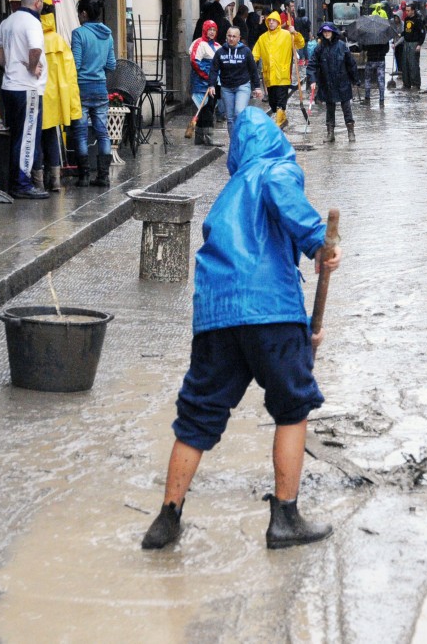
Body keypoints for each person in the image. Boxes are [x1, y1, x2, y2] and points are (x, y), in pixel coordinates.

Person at [141, 105, 342, 551]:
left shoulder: (230, 189)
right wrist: (318, 243)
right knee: (293, 406)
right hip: (268, 308)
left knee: (197, 415)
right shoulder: (276, 169)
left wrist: (306, 330)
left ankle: (167, 518)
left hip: (216, 316)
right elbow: (285, 200)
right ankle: (285, 518)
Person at [0, 0, 50, 200]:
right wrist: (33, 67)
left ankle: (17, 180)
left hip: (10, 87)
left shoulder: (9, 21)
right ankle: (22, 184)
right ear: (38, 2)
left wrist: (7, 65)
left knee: (17, 135)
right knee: (27, 137)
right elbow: (35, 49)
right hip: (27, 89)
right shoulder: (32, 22)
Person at [70, 0, 118, 187]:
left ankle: (83, 177)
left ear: (83, 13)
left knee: (81, 133)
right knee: (103, 133)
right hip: (100, 88)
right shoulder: (108, 35)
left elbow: (76, 63)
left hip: (81, 89)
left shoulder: (79, 34)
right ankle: (103, 176)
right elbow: (112, 64)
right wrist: (98, 73)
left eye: (78, 13)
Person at [39, 5, 81, 191]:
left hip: (37, 94)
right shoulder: (59, 41)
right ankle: (55, 180)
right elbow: (70, 73)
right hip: (56, 97)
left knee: (35, 138)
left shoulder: (33, 38)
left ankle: (37, 181)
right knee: (52, 136)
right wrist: (71, 102)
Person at [308, 22, 360, 143]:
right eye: (324, 31)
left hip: (342, 82)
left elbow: (351, 64)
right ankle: (330, 133)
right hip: (327, 83)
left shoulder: (342, 46)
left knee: (346, 107)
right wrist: (313, 80)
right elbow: (312, 65)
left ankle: (351, 132)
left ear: (333, 32)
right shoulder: (319, 48)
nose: (326, 33)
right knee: (330, 108)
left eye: (328, 31)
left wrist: (355, 79)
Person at [251, 12, 304, 130]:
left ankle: (278, 125)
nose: (271, 23)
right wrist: (248, 64)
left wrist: (294, 32)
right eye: (269, 21)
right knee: (273, 105)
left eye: (273, 21)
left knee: (281, 102)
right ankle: (283, 120)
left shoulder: (287, 35)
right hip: (269, 77)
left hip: (283, 75)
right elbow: (254, 54)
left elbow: (300, 44)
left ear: (278, 22)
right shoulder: (263, 38)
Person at [208, 25, 262, 138]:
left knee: (239, 112)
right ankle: (234, 143)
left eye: (234, 36)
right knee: (230, 118)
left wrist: (257, 87)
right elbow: (213, 69)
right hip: (226, 88)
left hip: (242, 86)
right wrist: (211, 85)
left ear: (239, 38)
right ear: (226, 37)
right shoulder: (220, 52)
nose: (231, 38)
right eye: (229, 36)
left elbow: (253, 70)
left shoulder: (246, 51)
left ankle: (242, 138)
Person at [188, 19, 222, 146]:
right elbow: (195, 62)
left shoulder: (217, 46)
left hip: (213, 83)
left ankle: (202, 137)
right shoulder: (199, 43)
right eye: (210, 30)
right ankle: (205, 137)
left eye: (214, 30)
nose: (212, 32)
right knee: (204, 109)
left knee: (210, 108)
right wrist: (207, 77)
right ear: (205, 30)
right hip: (201, 83)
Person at [400, 2, 426, 91]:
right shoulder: (406, 19)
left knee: (413, 65)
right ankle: (406, 84)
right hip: (406, 43)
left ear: (413, 11)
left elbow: (422, 33)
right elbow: (406, 31)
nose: (406, 12)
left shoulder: (418, 20)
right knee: (405, 64)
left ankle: (416, 84)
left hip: (414, 44)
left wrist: (419, 44)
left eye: (408, 10)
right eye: (406, 10)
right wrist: (400, 34)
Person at [362, 35, 390, 107]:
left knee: (367, 79)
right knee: (381, 80)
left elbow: (364, 48)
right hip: (381, 60)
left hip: (370, 60)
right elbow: (387, 49)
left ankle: (367, 98)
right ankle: (381, 99)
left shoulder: (368, 35)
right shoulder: (384, 36)